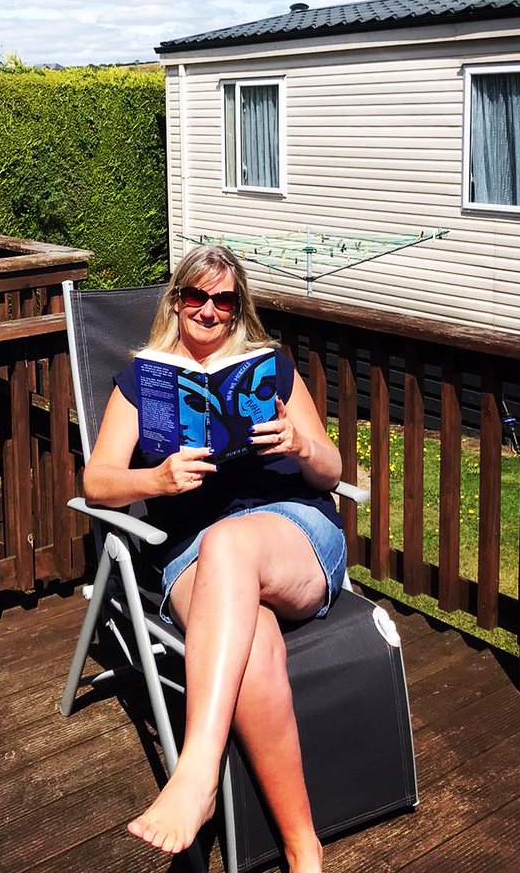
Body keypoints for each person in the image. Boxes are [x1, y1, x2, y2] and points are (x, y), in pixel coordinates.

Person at [83, 244, 345, 873]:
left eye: (223, 299)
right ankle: (304, 851)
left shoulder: (270, 366)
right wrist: (158, 481)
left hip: (290, 534)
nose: (208, 310)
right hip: (192, 556)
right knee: (252, 641)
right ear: (176, 301)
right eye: (194, 295)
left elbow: (334, 470)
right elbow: (97, 482)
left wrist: (302, 444)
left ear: (238, 307)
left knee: (232, 541)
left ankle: (195, 772)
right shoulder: (141, 380)